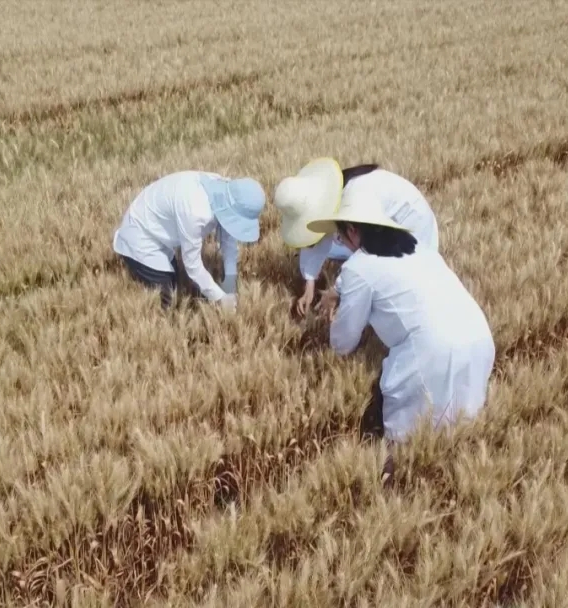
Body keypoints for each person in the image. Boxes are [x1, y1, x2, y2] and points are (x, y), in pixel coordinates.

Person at [305, 186, 495, 481]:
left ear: (353, 230)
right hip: (478, 340)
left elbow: (342, 342)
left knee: (404, 454)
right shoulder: (417, 246)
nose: (341, 243)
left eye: (340, 236)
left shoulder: (359, 266)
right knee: (460, 438)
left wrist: (328, 324)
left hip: (431, 354)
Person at [273, 159, 439, 316]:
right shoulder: (332, 192)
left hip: (413, 229)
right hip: (389, 230)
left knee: (391, 290)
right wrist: (309, 283)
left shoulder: (357, 201)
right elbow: (318, 235)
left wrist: (337, 290)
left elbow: (367, 254)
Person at [112, 170, 266, 309]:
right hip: (140, 236)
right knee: (168, 297)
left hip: (158, 230)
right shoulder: (195, 211)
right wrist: (220, 299)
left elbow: (229, 242)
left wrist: (229, 285)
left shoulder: (224, 192)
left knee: (175, 286)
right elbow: (193, 266)